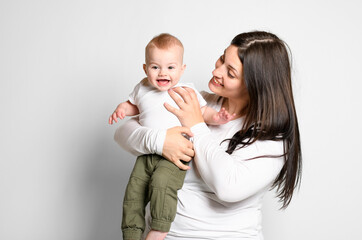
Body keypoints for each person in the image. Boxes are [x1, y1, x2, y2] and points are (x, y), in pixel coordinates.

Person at [114, 30, 302, 240]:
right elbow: (123, 132)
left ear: (255, 86)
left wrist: (195, 124)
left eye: (230, 72)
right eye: (222, 58)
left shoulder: (272, 137)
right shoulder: (199, 101)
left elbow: (227, 187)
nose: (216, 71)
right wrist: (160, 141)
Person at [109, 33, 235, 240]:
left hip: (175, 154)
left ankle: (159, 228)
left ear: (182, 69)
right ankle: (131, 232)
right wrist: (121, 109)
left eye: (170, 67)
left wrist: (218, 117)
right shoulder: (142, 87)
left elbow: (202, 113)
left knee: (162, 183)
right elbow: (132, 106)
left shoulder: (186, 91)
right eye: (155, 67)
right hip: (147, 154)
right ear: (145, 68)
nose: (162, 73)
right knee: (134, 190)